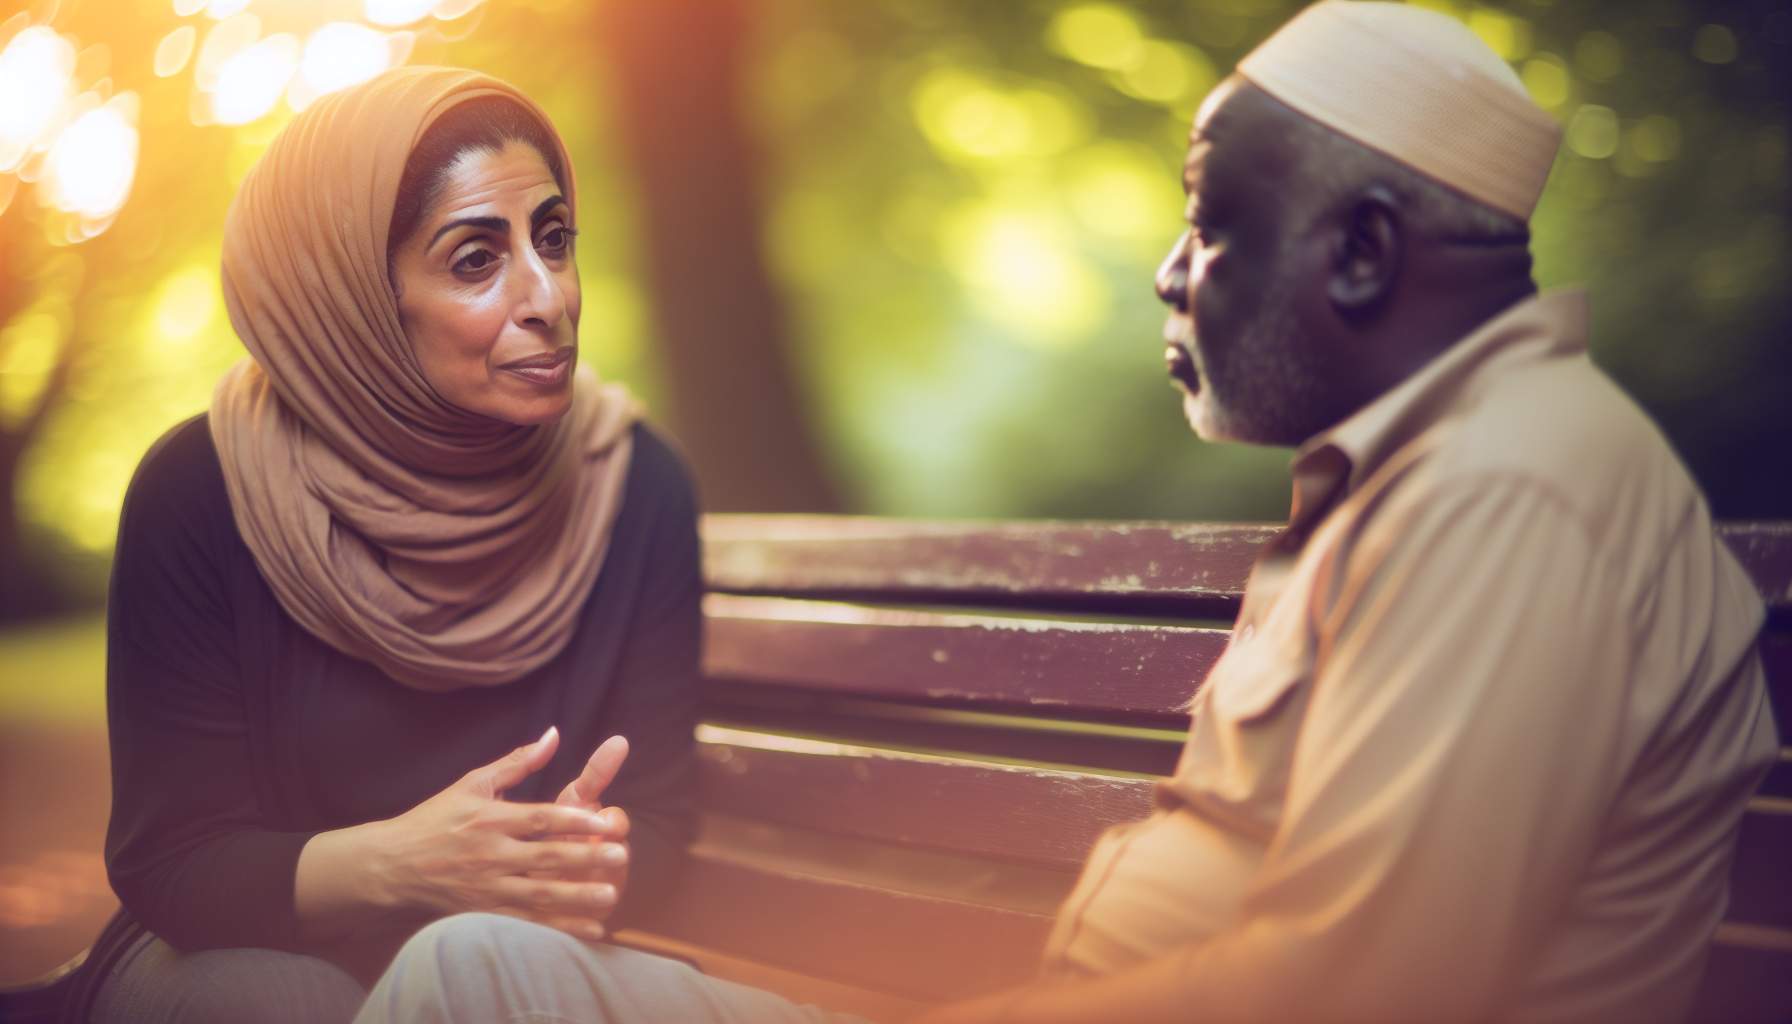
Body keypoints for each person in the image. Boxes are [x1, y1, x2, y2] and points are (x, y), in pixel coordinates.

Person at [349, 4, 1779, 1023]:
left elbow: (1366, 986)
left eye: (1209, 222)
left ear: (1361, 254)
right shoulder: (1436, 473)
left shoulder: (1514, 495)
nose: (1170, 274)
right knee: (475, 974)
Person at [72, 67, 703, 1023]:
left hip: (509, 961)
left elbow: (658, 823)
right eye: (474, 260)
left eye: (554, 239)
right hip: (236, 951)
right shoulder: (200, 490)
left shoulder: (634, 483)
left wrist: (566, 867)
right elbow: (176, 865)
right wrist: (402, 868)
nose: (549, 297)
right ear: (357, 297)